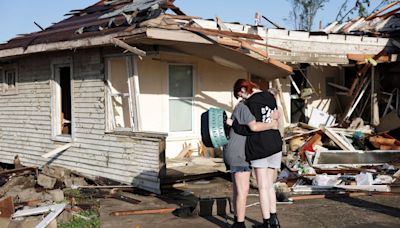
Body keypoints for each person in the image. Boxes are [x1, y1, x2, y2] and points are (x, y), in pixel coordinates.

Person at [224, 81, 279, 228]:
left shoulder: (245, 106)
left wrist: (231, 123)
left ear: (244, 89)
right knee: (266, 186)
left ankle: (259, 222)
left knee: (253, 189)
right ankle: (272, 221)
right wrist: (273, 123)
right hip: (273, 145)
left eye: (240, 94)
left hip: (250, 150)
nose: (240, 97)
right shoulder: (269, 99)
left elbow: (252, 127)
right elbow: (271, 117)